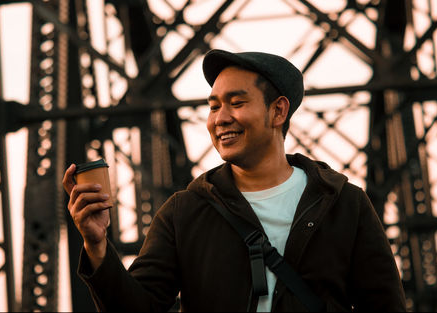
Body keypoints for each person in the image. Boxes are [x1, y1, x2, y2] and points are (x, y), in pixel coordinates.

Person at [62, 49, 406, 312]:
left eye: (236, 103)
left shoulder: (344, 203)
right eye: (213, 107)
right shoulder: (184, 211)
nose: (221, 118)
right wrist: (97, 247)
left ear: (278, 111)